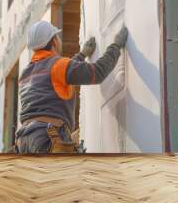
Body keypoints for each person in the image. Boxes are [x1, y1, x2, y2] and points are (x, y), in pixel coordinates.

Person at [15, 20, 128, 154]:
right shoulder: (57, 65)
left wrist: (82, 55)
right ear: (54, 41)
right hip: (46, 138)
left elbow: (57, 75)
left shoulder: (25, 74)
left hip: (23, 141)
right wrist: (115, 46)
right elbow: (97, 73)